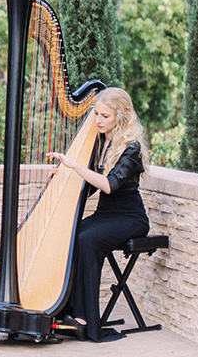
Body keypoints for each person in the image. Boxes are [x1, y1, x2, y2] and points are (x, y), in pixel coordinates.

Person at [47, 87, 150, 342]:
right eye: (96, 114)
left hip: (129, 218)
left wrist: (75, 166)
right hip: (105, 214)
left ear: (121, 116)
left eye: (105, 116)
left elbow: (110, 184)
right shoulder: (101, 142)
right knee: (72, 234)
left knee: (86, 240)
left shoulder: (131, 148)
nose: (98, 121)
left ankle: (84, 319)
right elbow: (92, 187)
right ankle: (64, 309)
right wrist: (64, 177)